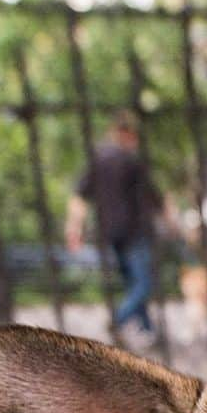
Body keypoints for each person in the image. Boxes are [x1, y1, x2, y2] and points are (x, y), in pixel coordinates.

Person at [66, 111, 163, 346]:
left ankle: (148, 331)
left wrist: (74, 227)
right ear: (126, 134)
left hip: (111, 233)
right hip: (136, 231)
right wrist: (171, 222)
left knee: (133, 282)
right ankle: (118, 319)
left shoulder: (97, 160)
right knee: (143, 283)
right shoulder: (132, 161)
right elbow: (154, 197)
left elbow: (79, 196)